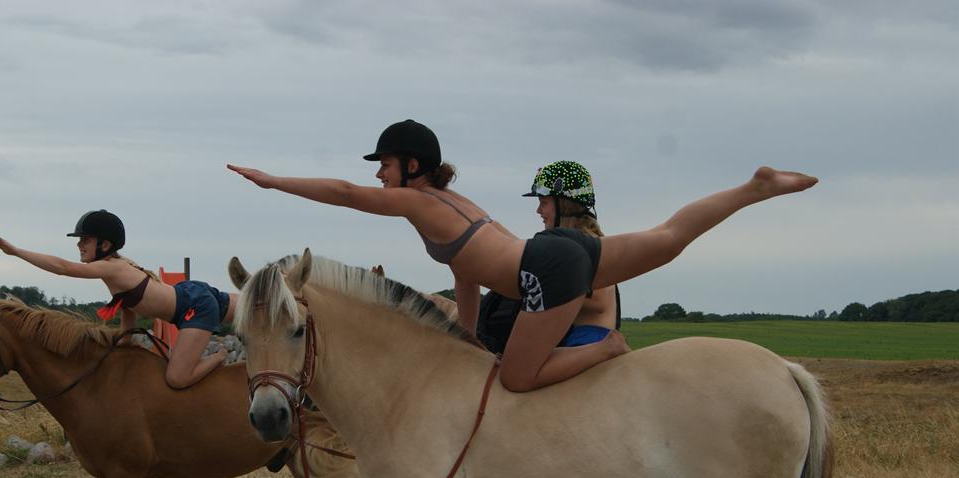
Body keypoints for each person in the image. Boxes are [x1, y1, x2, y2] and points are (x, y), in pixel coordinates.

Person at [228, 119, 817, 392]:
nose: (378, 176)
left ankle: (610, 347)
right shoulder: (450, 204)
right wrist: (465, 340)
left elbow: (345, 194)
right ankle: (754, 187)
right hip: (555, 254)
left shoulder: (417, 202)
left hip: (541, 269)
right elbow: (466, 280)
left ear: (411, 165)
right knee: (667, 238)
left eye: (384, 163)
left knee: (516, 378)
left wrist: (274, 181)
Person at [0, 209, 236, 389]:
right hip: (192, 295)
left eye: (85, 240)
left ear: (104, 244)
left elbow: (63, 267)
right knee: (263, 304)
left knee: (177, 378)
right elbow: (129, 309)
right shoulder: (116, 268)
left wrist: (16, 251)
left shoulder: (111, 268)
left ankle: (220, 356)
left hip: (194, 307)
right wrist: (123, 344)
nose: (80, 245)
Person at [479, 160, 620, 355]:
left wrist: (538, 289)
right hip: (574, 338)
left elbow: (599, 301)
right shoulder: (576, 244)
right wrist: (490, 226)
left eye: (543, 202)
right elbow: (529, 256)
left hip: (586, 341)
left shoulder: (588, 244)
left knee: (517, 373)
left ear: (564, 205)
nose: (538, 211)